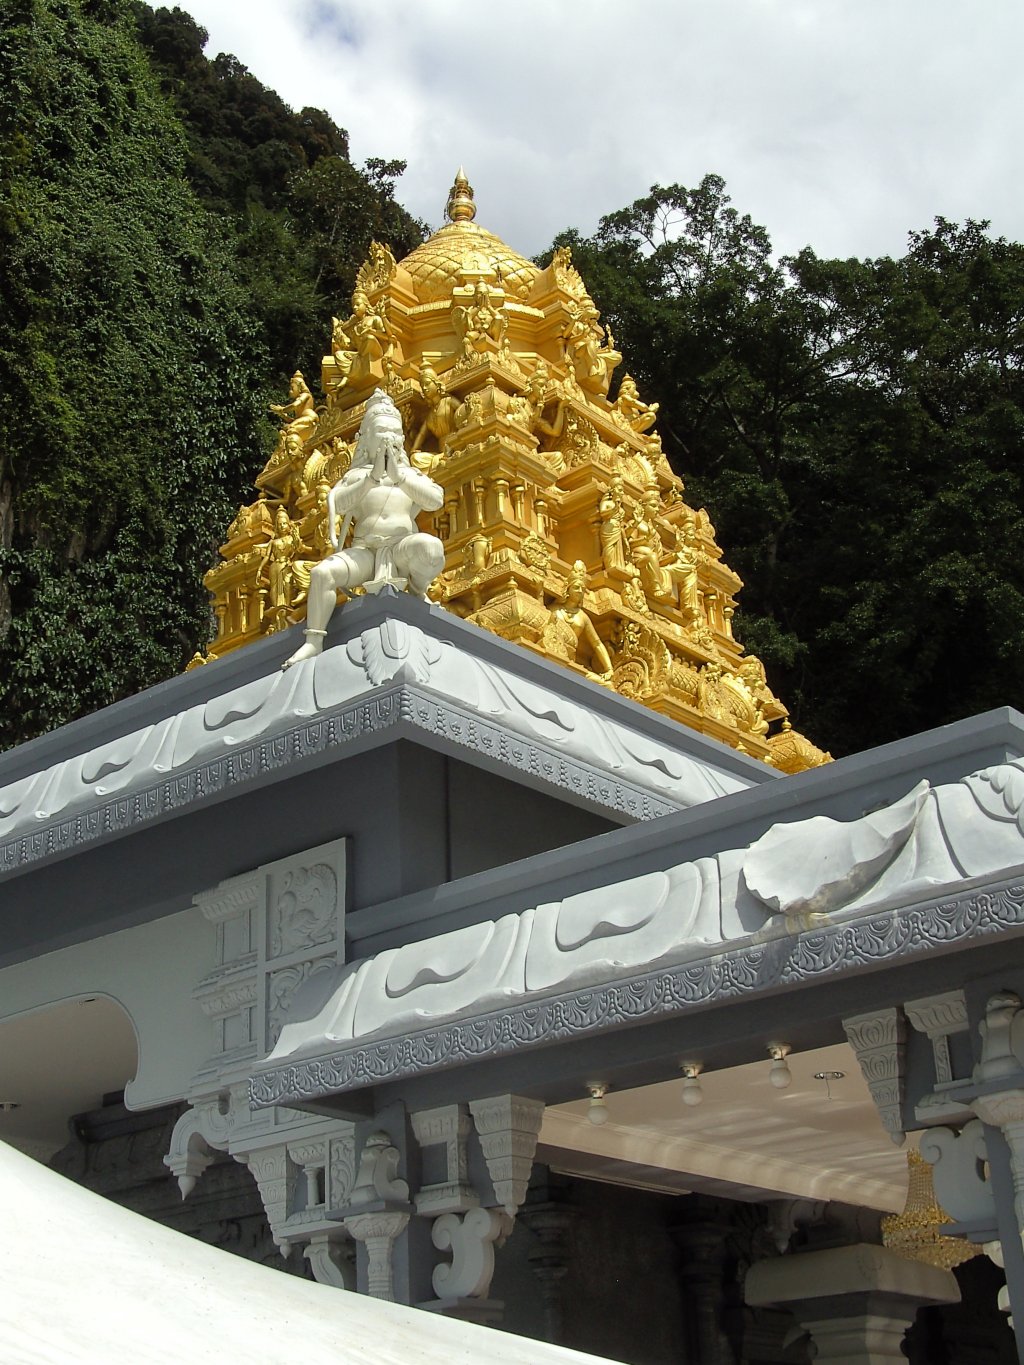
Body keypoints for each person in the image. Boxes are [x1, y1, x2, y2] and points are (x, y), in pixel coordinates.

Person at [282, 391, 445, 669]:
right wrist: (371, 479)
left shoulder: (410, 475)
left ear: (401, 439)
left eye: (393, 432)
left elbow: (435, 500)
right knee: (322, 573)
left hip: (401, 549)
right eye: (381, 431)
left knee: (431, 548)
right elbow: (338, 504)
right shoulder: (357, 476)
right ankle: (314, 640)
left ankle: (418, 589)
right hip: (365, 552)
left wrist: (399, 477)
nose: (387, 438)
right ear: (366, 438)